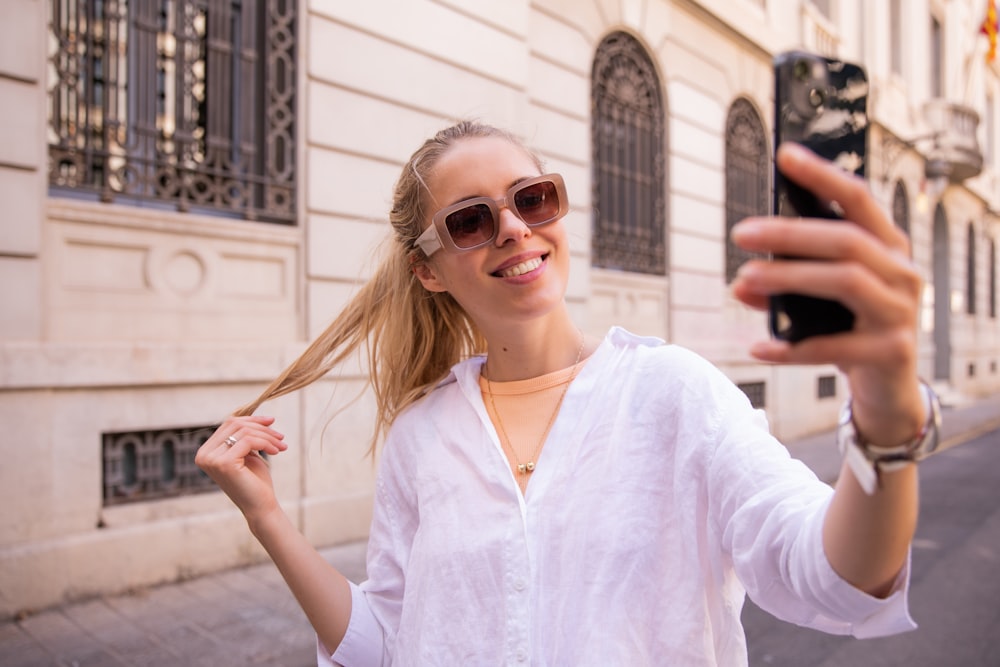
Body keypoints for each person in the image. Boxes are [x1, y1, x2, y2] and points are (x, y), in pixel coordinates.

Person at [196, 120, 935, 666]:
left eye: (533, 198)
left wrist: (886, 428)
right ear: (428, 269)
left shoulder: (673, 393)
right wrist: (267, 517)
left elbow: (837, 573)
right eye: (471, 221)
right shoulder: (421, 435)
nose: (514, 228)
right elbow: (387, 640)